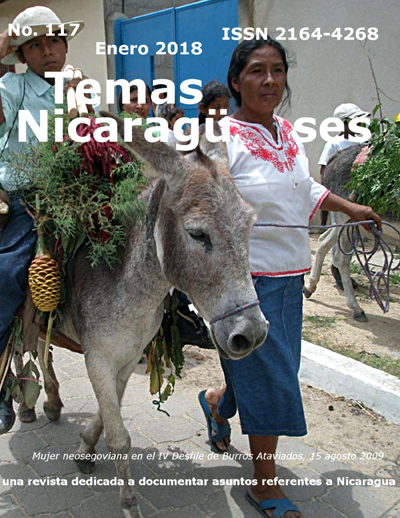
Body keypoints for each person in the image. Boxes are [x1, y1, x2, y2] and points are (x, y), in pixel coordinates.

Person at [198, 38, 381, 518]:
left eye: (277, 70)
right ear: (236, 81)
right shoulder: (221, 137)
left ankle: (216, 403)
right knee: (272, 377)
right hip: (245, 285)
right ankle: (264, 486)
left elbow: (305, 187)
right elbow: (205, 205)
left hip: (289, 276)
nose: (269, 80)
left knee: (264, 369)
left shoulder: (287, 132)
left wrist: (350, 207)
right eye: (257, 71)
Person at [0, 6, 91, 434]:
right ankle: (2, 382)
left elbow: (90, 140)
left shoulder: (78, 87)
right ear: (21, 55)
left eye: (54, 41)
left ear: (65, 46)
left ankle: (169, 322)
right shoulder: (13, 87)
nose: (48, 51)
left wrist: (80, 109)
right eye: (34, 45)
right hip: (25, 201)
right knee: (7, 274)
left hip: (76, 196)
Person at [318, 103, 370, 289]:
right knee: (341, 231)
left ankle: (341, 266)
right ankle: (337, 269)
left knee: (351, 235)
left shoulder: (365, 143)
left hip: (357, 195)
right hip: (340, 194)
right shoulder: (335, 144)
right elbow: (325, 170)